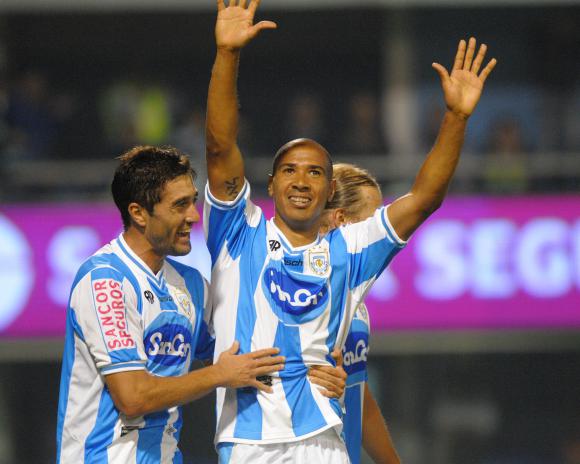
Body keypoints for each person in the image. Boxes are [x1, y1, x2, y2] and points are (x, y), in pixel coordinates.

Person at [204, 0, 496, 461]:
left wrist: (456, 118)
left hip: (325, 442)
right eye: (290, 171)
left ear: (329, 189)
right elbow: (221, 147)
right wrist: (227, 53)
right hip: (249, 445)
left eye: (315, 173)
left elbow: (424, 199)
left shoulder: (352, 249)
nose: (302, 181)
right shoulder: (237, 234)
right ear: (271, 184)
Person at [56, 145, 287, 463]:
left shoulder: (191, 285)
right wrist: (219, 375)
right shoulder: (105, 281)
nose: (194, 216)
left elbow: (245, 355)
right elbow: (133, 398)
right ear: (138, 213)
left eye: (193, 201)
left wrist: (323, 365)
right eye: (180, 205)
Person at [320, 163, 401, 464]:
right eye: (371, 220)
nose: (380, 232)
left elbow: (357, 392)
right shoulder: (303, 291)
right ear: (340, 220)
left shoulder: (357, 301)